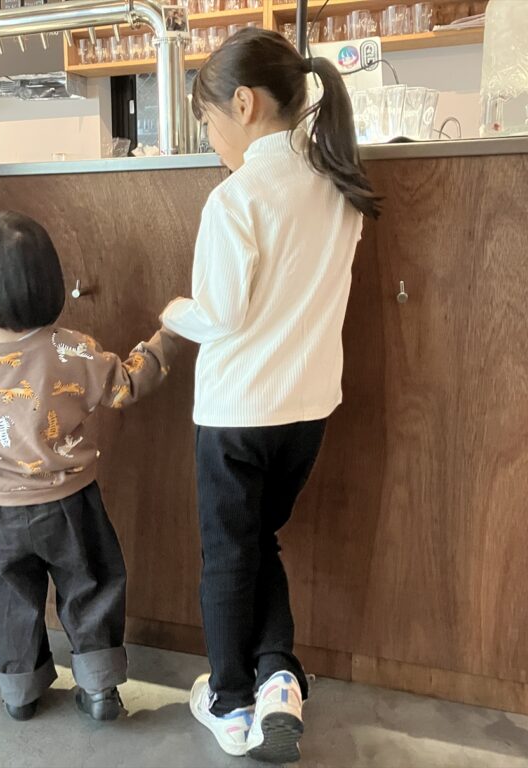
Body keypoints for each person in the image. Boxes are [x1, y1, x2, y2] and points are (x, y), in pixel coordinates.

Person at [160, 28, 381, 763]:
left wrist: (172, 313)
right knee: (260, 541)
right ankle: (279, 677)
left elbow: (219, 313)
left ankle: (229, 702)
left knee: (228, 554)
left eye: (208, 121)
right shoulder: (338, 187)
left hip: (235, 414)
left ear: (244, 104)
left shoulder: (236, 198)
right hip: (307, 413)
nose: (210, 139)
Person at [0, 211, 176, 723]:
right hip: (69, 502)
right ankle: (100, 687)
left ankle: (20, 690)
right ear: (48, 283)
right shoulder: (72, 349)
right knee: (90, 586)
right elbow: (126, 386)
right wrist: (166, 339)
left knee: (6, 598)